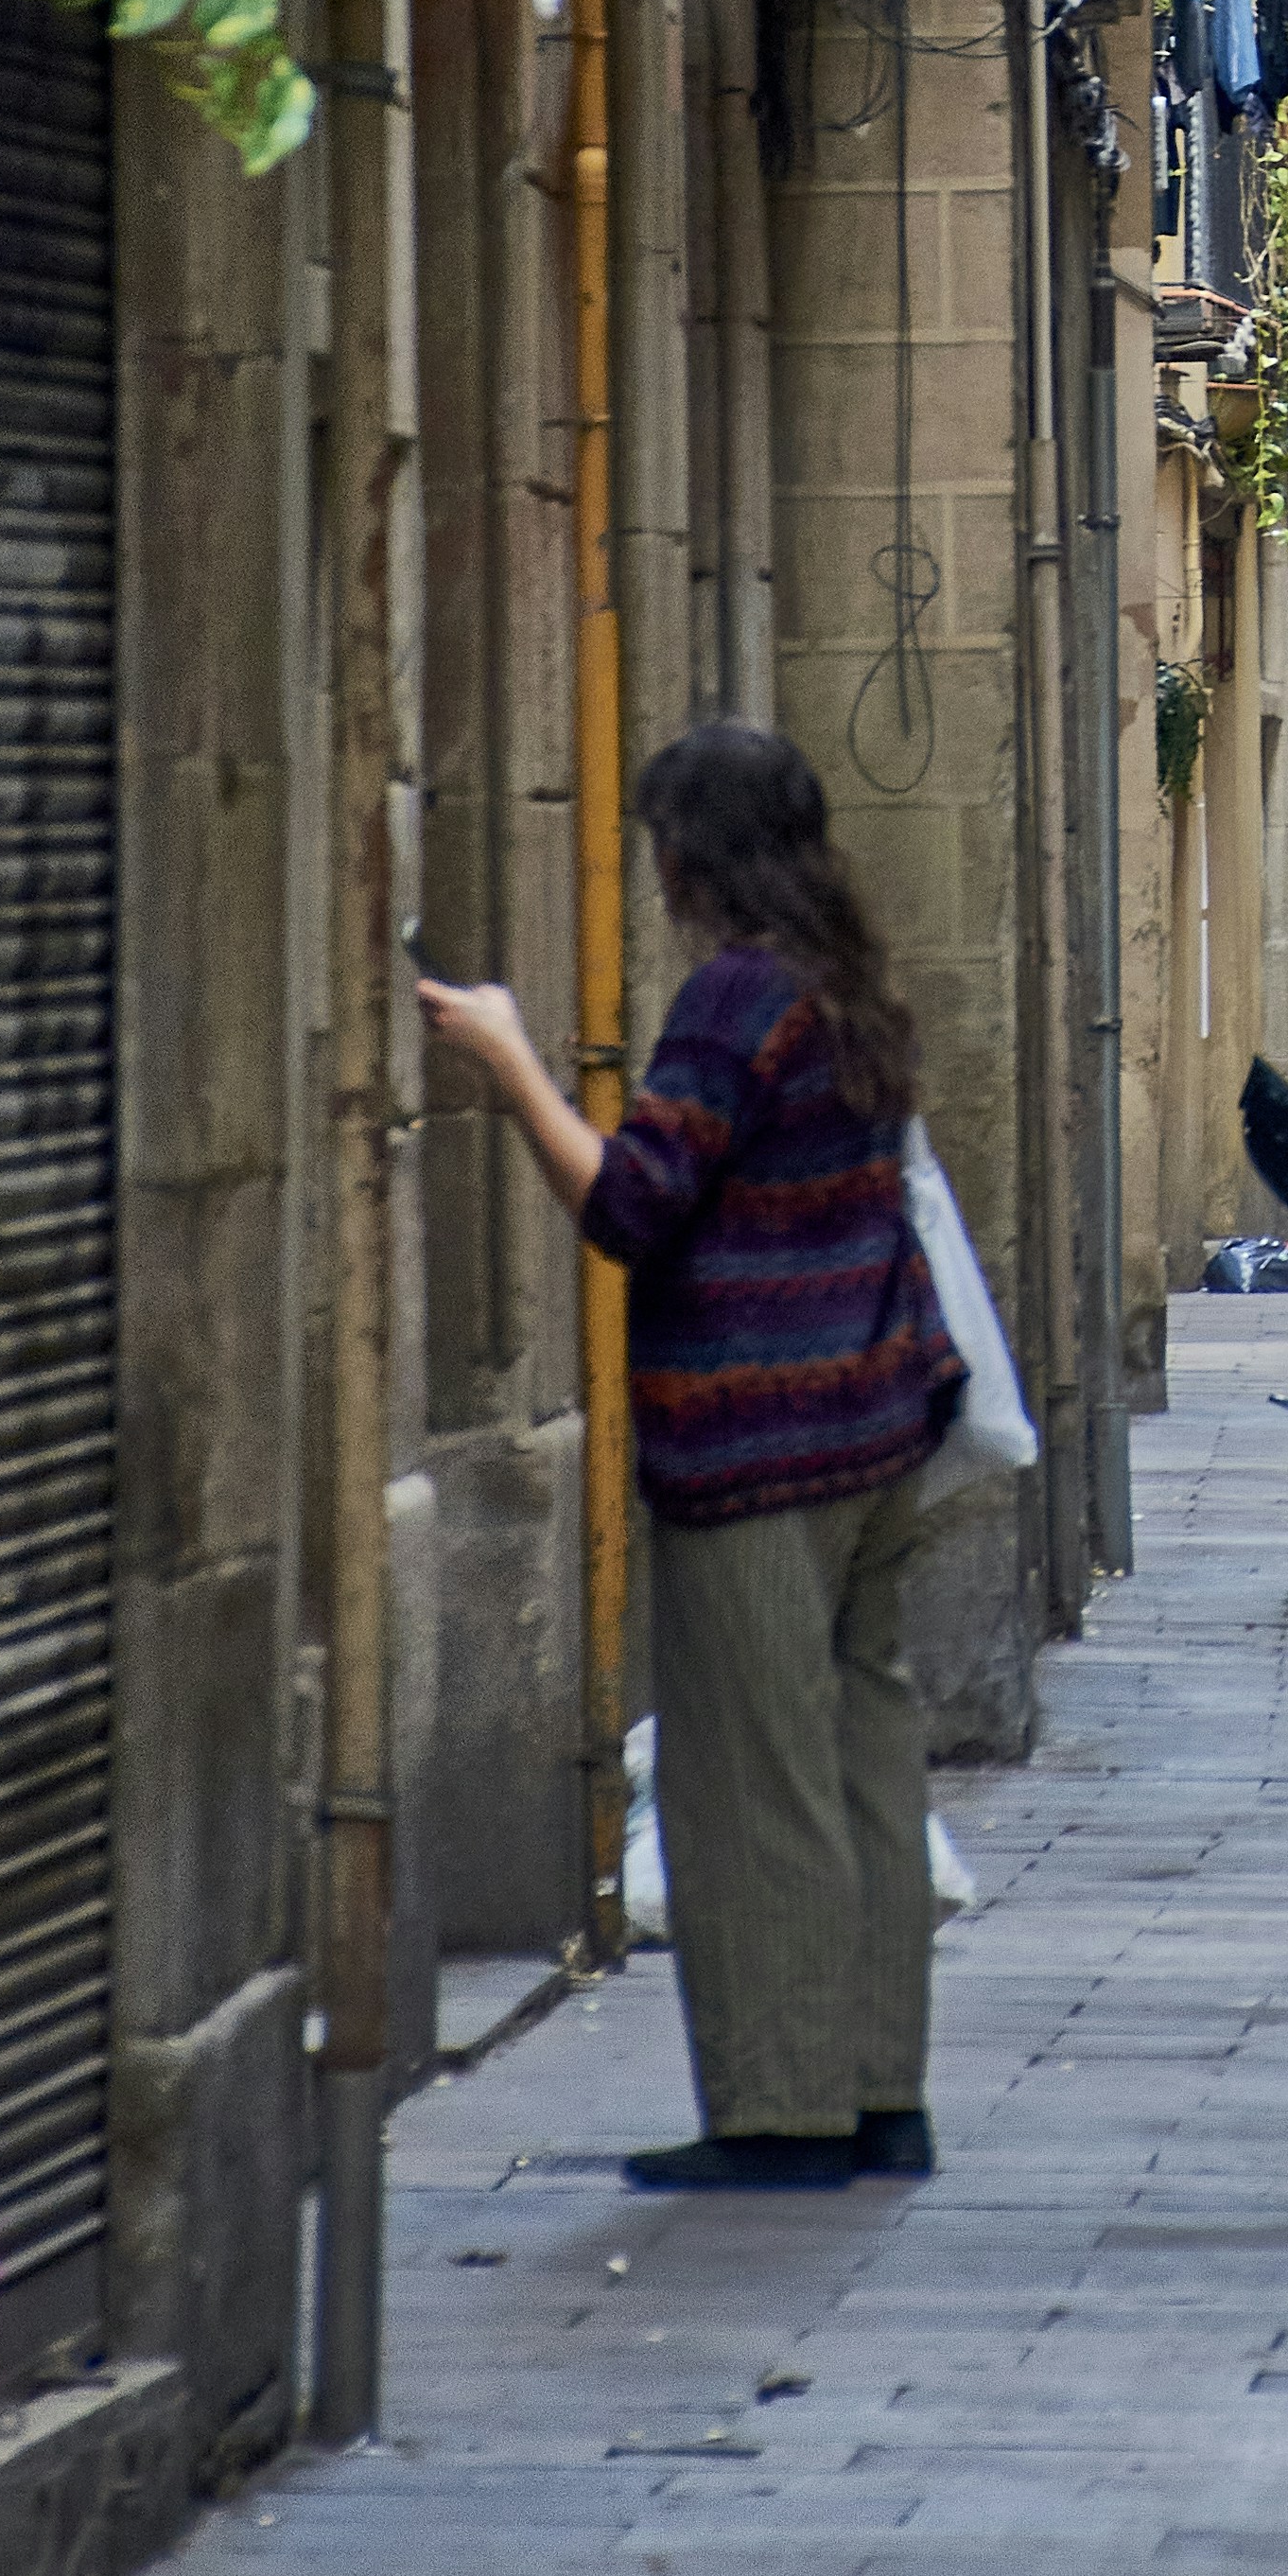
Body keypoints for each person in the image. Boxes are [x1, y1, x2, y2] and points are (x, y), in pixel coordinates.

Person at [413, 718, 962, 2196]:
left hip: (757, 1450)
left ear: (694, 852)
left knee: (753, 1781)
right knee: (864, 1765)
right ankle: (879, 2094)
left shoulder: (735, 998)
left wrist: (513, 1063)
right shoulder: (853, 988)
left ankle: (782, 2115)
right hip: (876, 1431)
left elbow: (633, 1204)